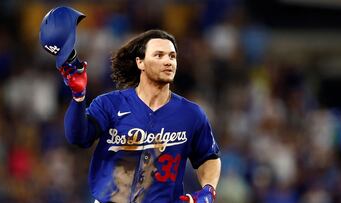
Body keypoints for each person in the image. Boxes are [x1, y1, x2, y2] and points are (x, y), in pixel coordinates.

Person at [60, 28, 221, 203]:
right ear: (140, 63)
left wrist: (209, 189)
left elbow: (208, 157)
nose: (168, 61)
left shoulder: (191, 114)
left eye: (172, 56)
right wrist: (78, 96)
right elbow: (77, 137)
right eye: (159, 55)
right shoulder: (110, 104)